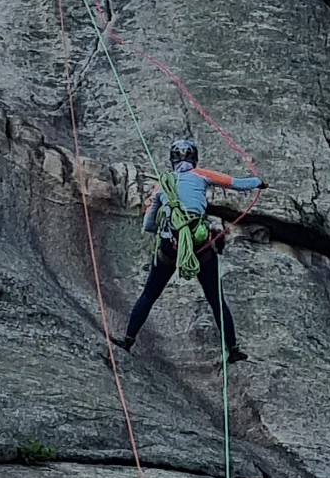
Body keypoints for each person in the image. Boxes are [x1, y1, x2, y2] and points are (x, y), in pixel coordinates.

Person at [113, 137, 266, 363]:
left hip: (169, 247)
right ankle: (233, 349)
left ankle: (127, 340)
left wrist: (169, 229)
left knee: (149, 294)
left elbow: (148, 225)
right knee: (216, 300)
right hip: (200, 245)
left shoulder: (162, 185)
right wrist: (259, 182)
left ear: (172, 160)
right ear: (194, 159)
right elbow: (235, 183)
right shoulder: (202, 175)